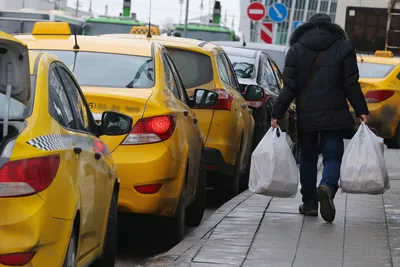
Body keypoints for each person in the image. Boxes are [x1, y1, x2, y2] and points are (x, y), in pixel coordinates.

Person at [270, 13, 369, 223]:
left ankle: (310, 203)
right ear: (331, 27)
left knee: (308, 158)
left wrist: (276, 113)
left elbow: (290, 87)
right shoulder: (343, 47)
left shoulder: (296, 49)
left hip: (307, 115)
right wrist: (362, 111)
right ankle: (327, 187)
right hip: (335, 113)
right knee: (332, 156)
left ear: (307, 27)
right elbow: (351, 83)